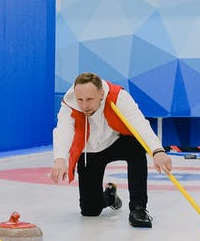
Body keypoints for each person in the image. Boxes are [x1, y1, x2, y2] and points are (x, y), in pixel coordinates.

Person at [49, 72, 172, 228]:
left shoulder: (119, 96)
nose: (85, 105)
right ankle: (110, 196)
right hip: (90, 152)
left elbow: (139, 123)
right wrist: (60, 158)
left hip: (117, 142)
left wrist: (157, 151)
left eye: (89, 99)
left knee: (136, 146)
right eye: (80, 99)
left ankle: (138, 209)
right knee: (90, 210)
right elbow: (63, 129)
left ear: (101, 94)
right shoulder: (69, 103)